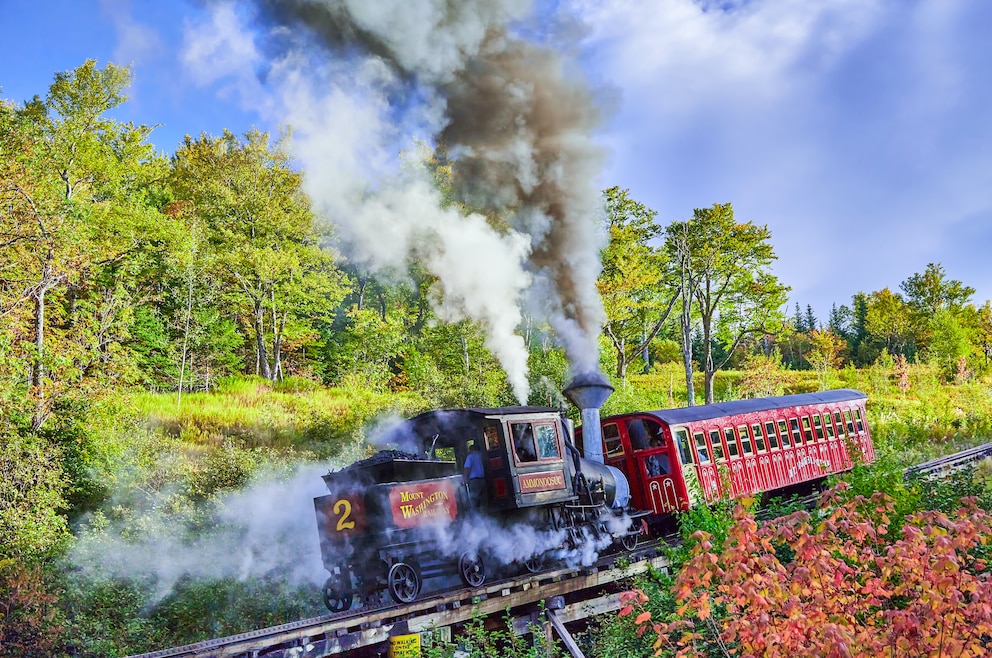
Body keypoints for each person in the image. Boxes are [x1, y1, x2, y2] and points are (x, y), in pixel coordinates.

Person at [463, 442, 486, 508]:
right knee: (483, 499)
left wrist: (465, 478)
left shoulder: (470, 457)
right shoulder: (481, 455)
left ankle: (475, 515)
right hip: (483, 479)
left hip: (474, 481)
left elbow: (467, 468)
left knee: (474, 499)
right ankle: (484, 515)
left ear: (471, 449)